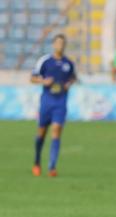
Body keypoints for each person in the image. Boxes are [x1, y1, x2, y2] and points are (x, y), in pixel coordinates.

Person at [30, 33, 76, 178]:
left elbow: (73, 77)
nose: (60, 46)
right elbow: (32, 78)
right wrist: (43, 82)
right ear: (53, 45)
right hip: (46, 101)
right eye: (58, 43)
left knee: (56, 130)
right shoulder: (45, 61)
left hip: (60, 102)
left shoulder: (68, 63)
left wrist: (69, 84)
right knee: (41, 133)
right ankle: (37, 162)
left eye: (62, 44)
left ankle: (52, 167)